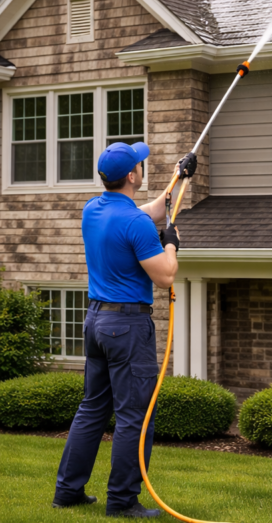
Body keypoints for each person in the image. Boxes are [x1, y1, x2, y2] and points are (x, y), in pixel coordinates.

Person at [52, 142, 185, 518]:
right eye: (140, 164)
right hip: (127, 327)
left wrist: (178, 178)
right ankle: (123, 501)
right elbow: (165, 276)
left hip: (96, 322)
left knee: (92, 409)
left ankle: (67, 492)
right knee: (134, 416)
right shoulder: (135, 223)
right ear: (131, 176)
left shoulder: (93, 209)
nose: (142, 167)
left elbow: (149, 210)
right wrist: (171, 246)